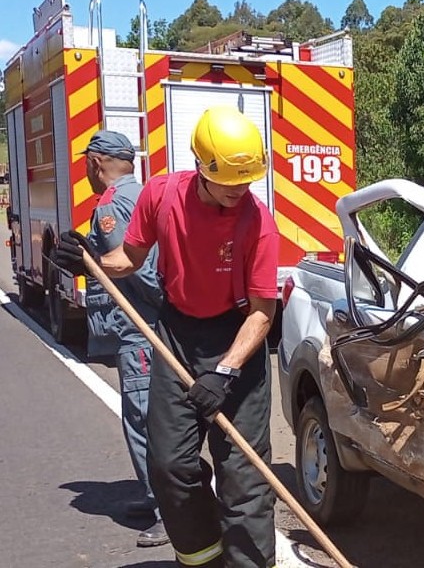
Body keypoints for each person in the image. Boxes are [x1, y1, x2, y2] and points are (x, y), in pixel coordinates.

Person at [56, 106, 280, 567]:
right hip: (177, 334)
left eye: (246, 180)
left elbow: (262, 313)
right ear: (200, 165)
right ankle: (203, 556)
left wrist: (224, 372)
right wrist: (90, 261)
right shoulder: (160, 195)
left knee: (244, 477)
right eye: (229, 180)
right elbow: (130, 259)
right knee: (169, 465)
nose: (239, 189)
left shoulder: (258, 222)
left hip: (237, 338)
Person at [80, 130, 169, 548]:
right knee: (150, 418)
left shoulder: (112, 205)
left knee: (143, 421)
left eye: (86, 163)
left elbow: (137, 269)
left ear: (96, 162)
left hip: (140, 330)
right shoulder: (142, 193)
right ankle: (158, 497)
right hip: (147, 326)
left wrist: (161, 312)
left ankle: (168, 510)